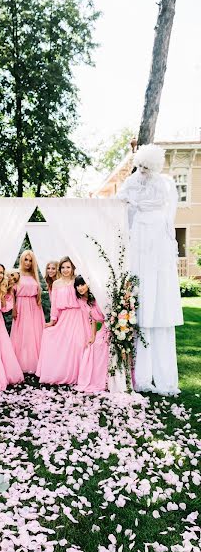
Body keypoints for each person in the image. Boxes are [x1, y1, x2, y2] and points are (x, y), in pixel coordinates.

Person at [117, 144, 183, 396]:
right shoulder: (133, 180)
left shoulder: (165, 183)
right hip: (141, 235)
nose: (143, 170)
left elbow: (170, 213)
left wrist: (168, 235)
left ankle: (165, 379)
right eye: (140, 165)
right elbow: (121, 200)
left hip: (157, 236)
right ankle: (142, 377)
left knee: (159, 297)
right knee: (143, 295)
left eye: (146, 166)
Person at [36, 257, 86, 385]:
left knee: (78, 344)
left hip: (79, 315)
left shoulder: (78, 280)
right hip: (64, 317)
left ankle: (80, 374)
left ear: (73, 268)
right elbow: (54, 305)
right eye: (63, 267)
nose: (65, 270)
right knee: (51, 336)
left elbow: (84, 297)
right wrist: (53, 320)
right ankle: (60, 372)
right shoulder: (56, 284)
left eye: (68, 267)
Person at [0, 265, 23, 385]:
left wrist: (3, 295)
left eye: (15, 280)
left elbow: (4, 309)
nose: (12, 280)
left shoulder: (8, 292)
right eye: (12, 276)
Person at [11, 250, 45, 373]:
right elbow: (11, 293)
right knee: (23, 335)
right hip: (21, 306)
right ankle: (22, 363)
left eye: (30, 260)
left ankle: (37, 363)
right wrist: (14, 308)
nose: (28, 262)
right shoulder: (16, 273)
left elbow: (38, 290)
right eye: (26, 259)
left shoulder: (34, 275)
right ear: (21, 259)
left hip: (35, 307)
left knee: (35, 334)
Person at [74, 276, 109, 393]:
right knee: (92, 345)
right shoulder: (82, 301)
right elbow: (93, 320)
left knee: (101, 345)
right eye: (77, 286)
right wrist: (92, 336)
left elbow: (107, 315)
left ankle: (107, 379)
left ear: (88, 284)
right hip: (103, 328)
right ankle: (94, 378)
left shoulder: (97, 297)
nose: (80, 288)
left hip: (111, 326)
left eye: (82, 284)